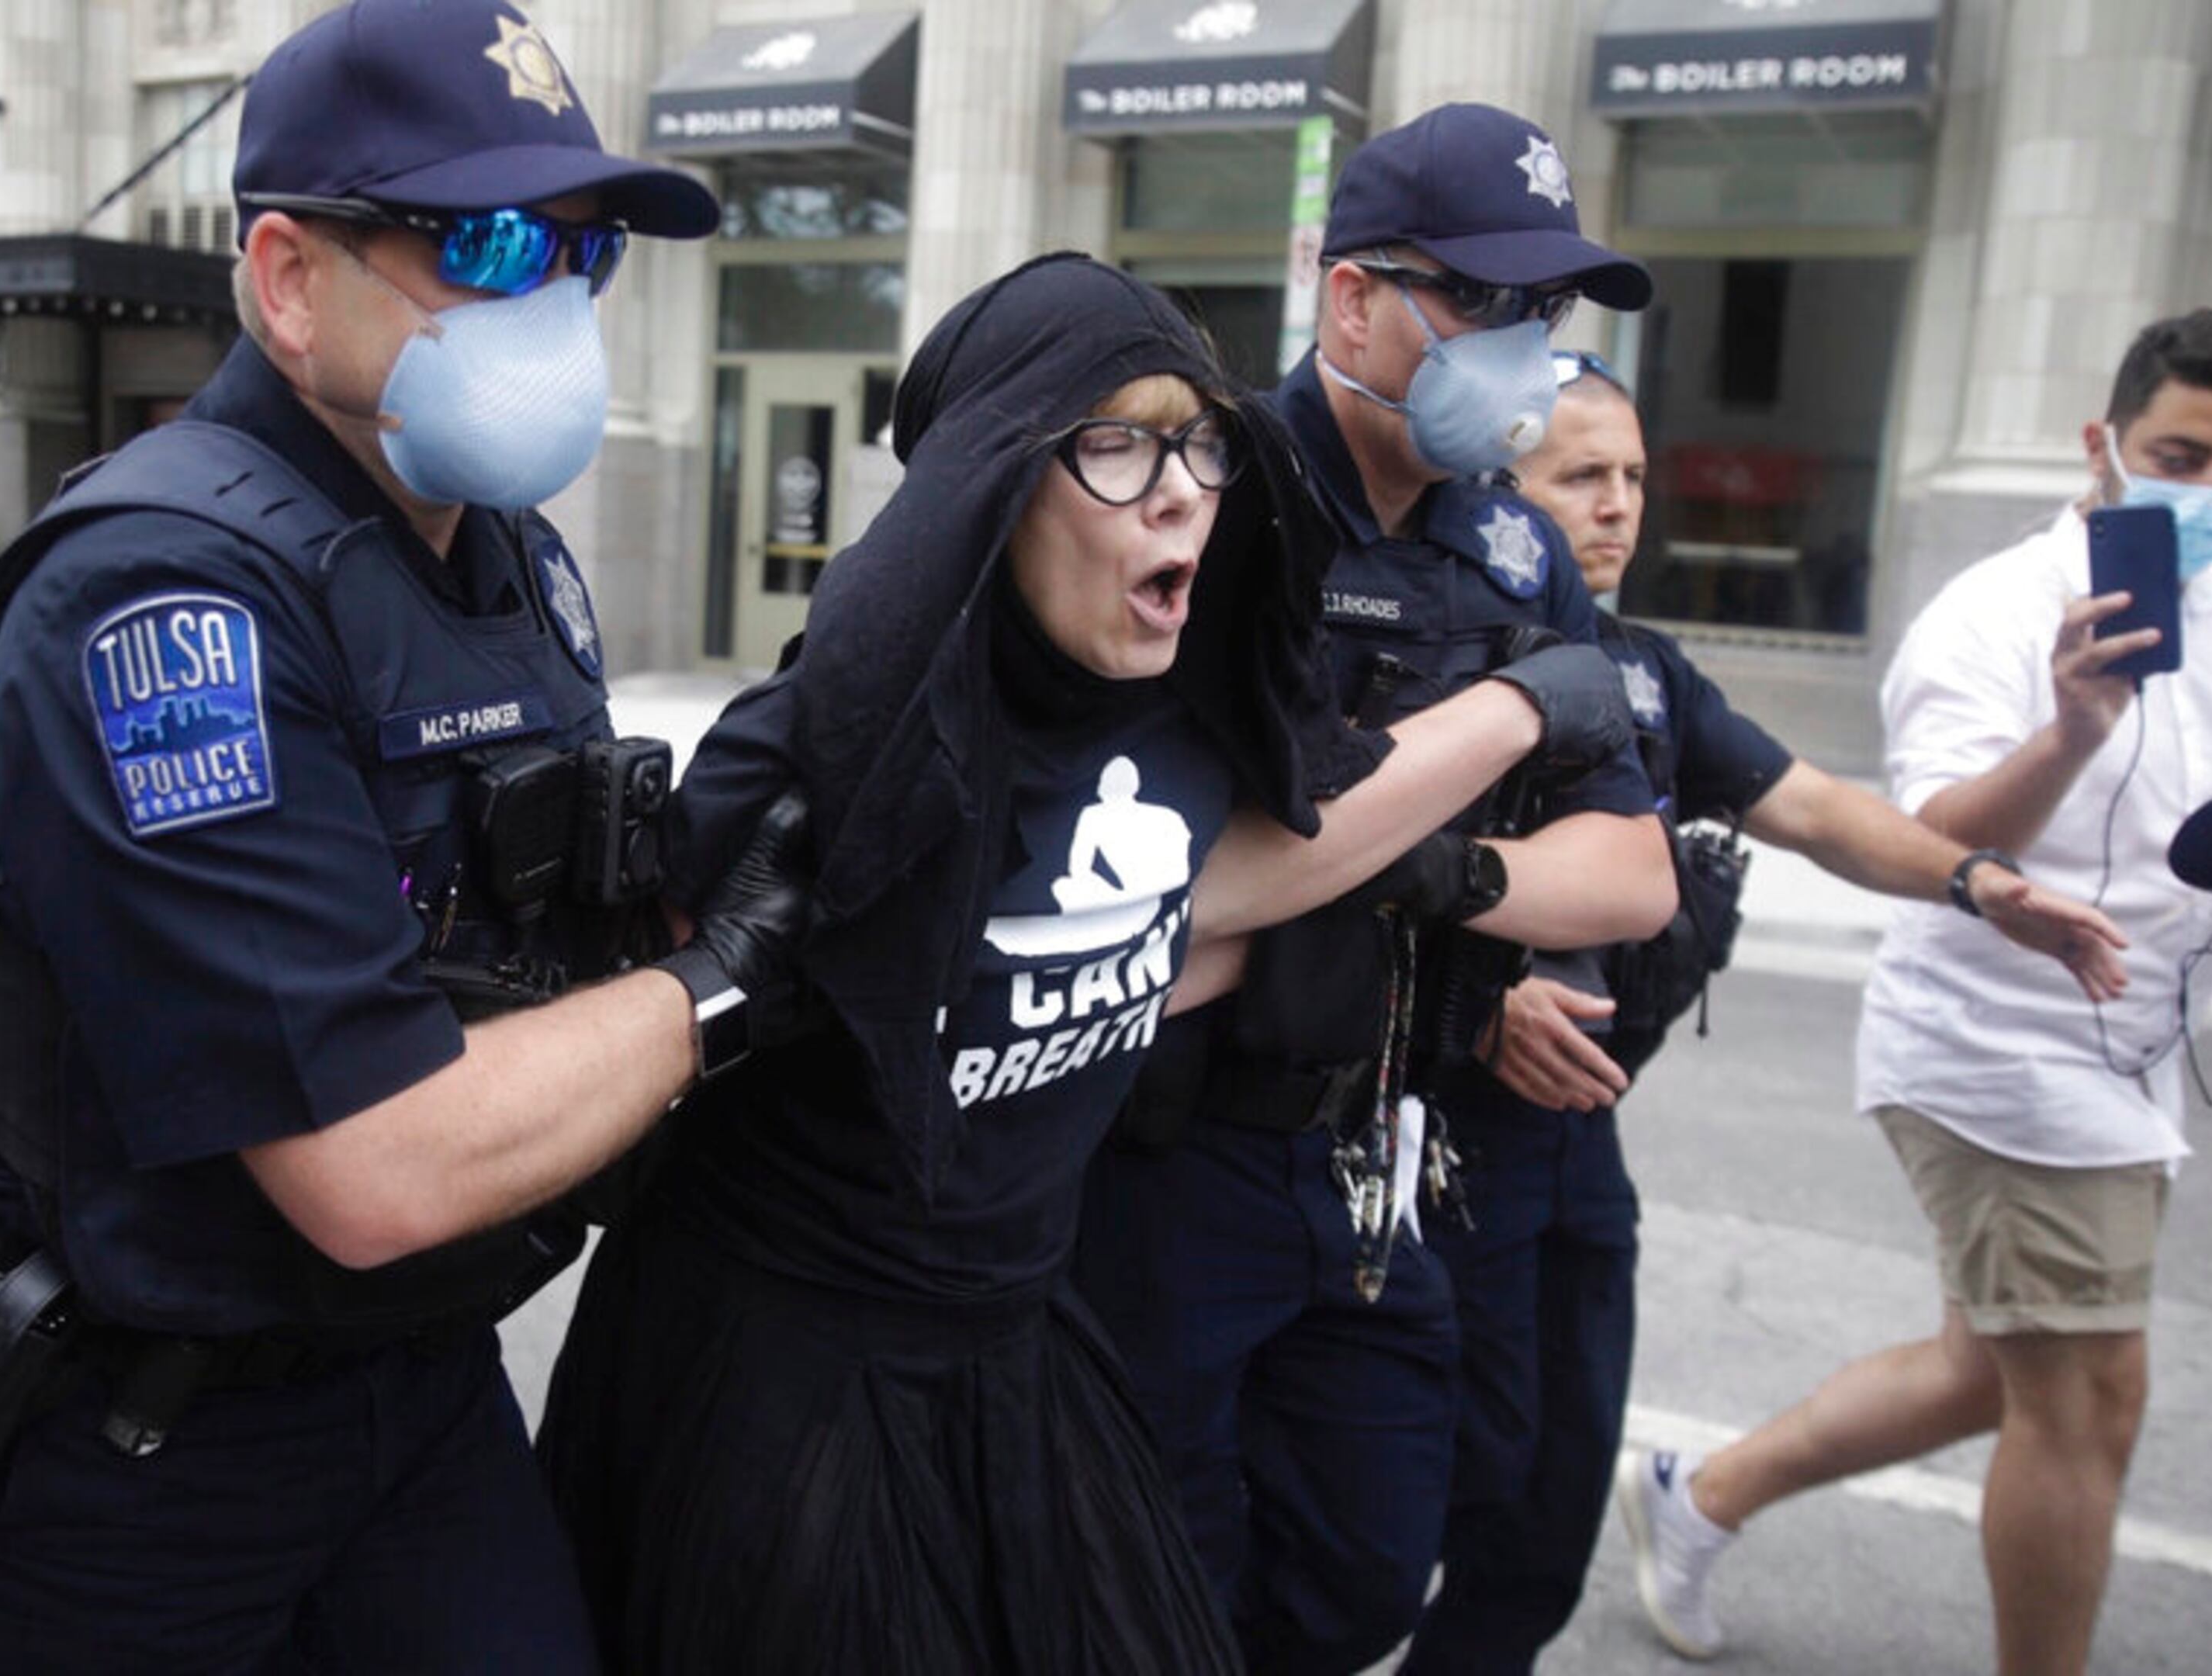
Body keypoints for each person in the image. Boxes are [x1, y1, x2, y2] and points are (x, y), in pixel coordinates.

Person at [536, 251, 1643, 1675]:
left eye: (1201, 443)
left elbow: (1267, 864)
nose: (1178, 488)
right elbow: (601, 1031)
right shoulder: (817, 751)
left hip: (1021, 1357)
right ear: (992, 490)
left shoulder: (1193, 731)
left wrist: (1506, 721)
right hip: (776, 1378)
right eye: (1114, 444)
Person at [0, 5, 801, 1669]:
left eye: (580, 253)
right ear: (291, 275)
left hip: (418, 1391)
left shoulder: (503, 555)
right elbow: (374, 1167)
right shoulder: (160, 590)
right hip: (142, 1461)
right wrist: (729, 987)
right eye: (485, 241)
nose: (549, 299)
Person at [1392, 355, 2129, 1674]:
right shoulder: (1415, 656)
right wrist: (1477, 998)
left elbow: (1819, 810)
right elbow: (1335, 876)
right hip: (1427, 1153)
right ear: (1498, 489)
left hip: (1577, 1157)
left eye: (1632, 478)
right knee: (1403, 1517)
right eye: (1582, 478)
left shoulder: (1647, 674)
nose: (1619, 507)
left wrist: (1978, 883)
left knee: (1546, 1525)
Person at [1071, 102, 1682, 1676]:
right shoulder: (1206, 492)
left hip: (1373, 1147)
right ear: (1354, 298)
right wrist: (1469, 819)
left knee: (1363, 1572)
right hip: (1169, 1152)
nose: (1526, 346)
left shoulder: (1513, 554)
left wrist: (1412, 866)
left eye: (1545, 313)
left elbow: (1627, 874)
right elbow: (1179, 881)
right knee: (1156, 1589)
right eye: (1483, 302)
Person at [1618, 310, 2212, 1674]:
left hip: (2138, 1037)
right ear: (2105, 447)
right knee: (2088, 1394)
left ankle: (1695, 1498)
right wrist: (2074, 730)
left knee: (1988, 1371)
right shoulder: (1998, 613)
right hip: (2001, 1046)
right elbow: (1939, 830)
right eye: (2183, 456)